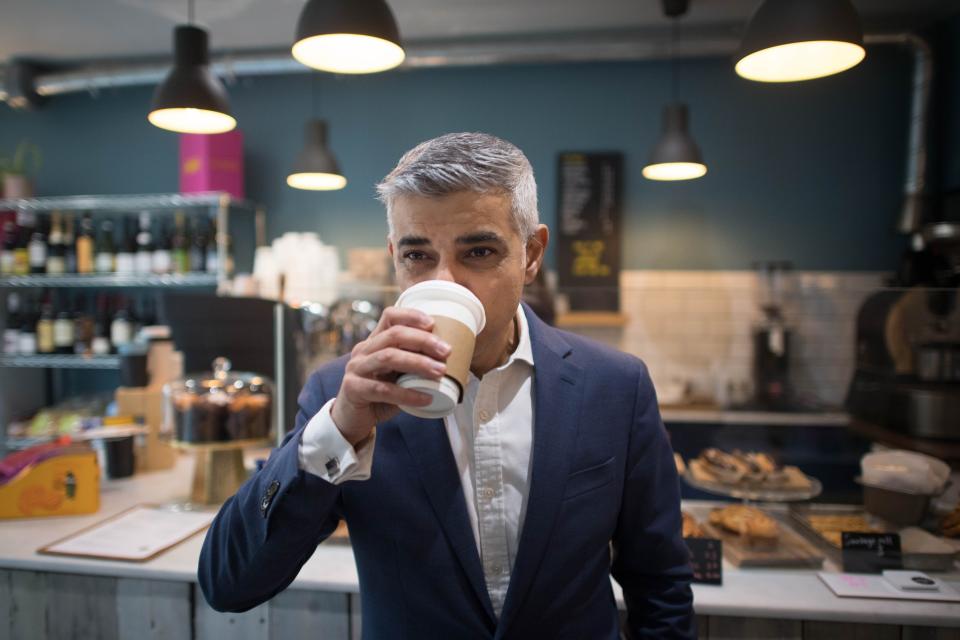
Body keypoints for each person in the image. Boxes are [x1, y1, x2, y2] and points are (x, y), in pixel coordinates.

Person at [198, 132, 695, 639]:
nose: (447, 282)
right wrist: (339, 428)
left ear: (531, 253)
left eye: (478, 251)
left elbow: (660, 585)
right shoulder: (342, 393)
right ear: (394, 256)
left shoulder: (614, 386)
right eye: (417, 256)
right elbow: (228, 584)